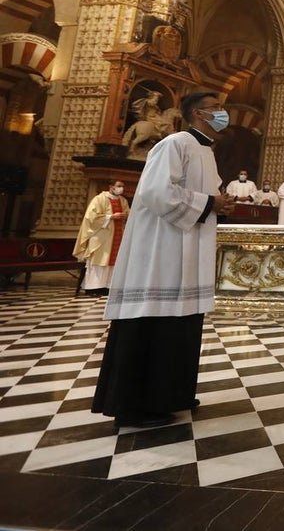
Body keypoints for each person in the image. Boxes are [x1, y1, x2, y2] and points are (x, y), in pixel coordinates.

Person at [91, 91, 236, 430]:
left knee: (180, 322)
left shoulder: (205, 150)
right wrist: (209, 203)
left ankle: (170, 394)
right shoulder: (175, 144)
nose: (222, 113)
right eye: (217, 108)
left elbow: (205, 197)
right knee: (153, 319)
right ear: (199, 113)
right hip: (160, 253)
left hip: (184, 251)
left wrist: (218, 204)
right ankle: (134, 404)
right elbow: (155, 192)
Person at [72, 180, 130, 296]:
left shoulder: (123, 201)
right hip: (100, 238)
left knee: (112, 263)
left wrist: (126, 216)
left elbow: (128, 213)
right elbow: (91, 217)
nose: (121, 189)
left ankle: (107, 286)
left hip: (117, 236)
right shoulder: (99, 199)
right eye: (118, 186)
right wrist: (111, 216)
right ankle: (92, 288)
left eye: (123, 186)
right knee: (99, 262)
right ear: (111, 187)